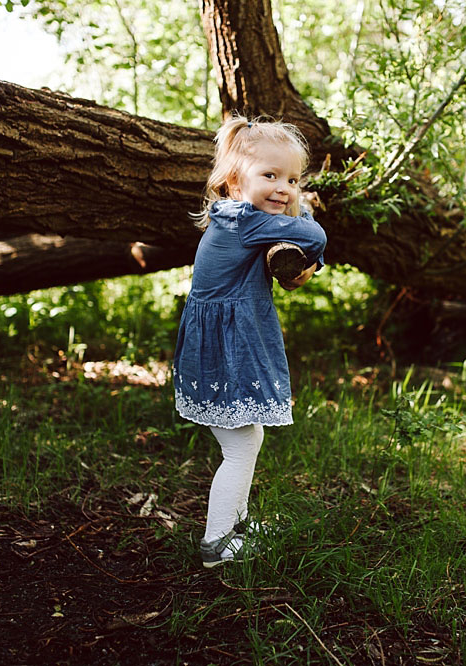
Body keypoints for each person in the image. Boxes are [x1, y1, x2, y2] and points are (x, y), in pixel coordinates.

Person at [172, 115, 327, 568]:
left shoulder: (236, 216)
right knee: (240, 447)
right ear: (235, 182)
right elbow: (313, 236)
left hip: (219, 343)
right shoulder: (246, 222)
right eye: (271, 176)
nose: (284, 188)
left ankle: (233, 527)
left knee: (245, 440)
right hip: (226, 349)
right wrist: (305, 214)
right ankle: (218, 543)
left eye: (293, 180)